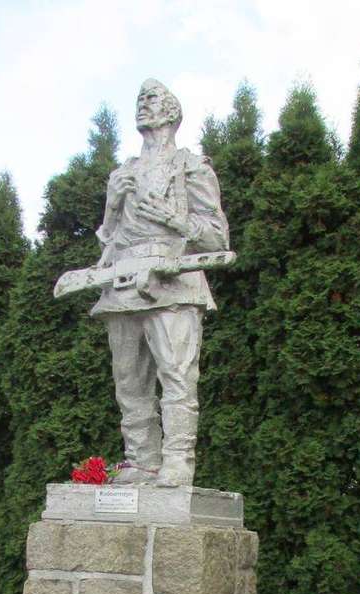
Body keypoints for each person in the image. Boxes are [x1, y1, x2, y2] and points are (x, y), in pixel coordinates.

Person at [91, 79, 230, 487]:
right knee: (129, 382)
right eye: (140, 99)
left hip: (174, 282)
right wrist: (111, 205)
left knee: (177, 376)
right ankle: (140, 461)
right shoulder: (123, 174)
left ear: (172, 111)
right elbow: (109, 240)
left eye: (151, 99)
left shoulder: (192, 167)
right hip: (122, 280)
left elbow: (217, 237)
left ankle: (177, 460)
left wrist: (175, 219)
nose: (143, 105)